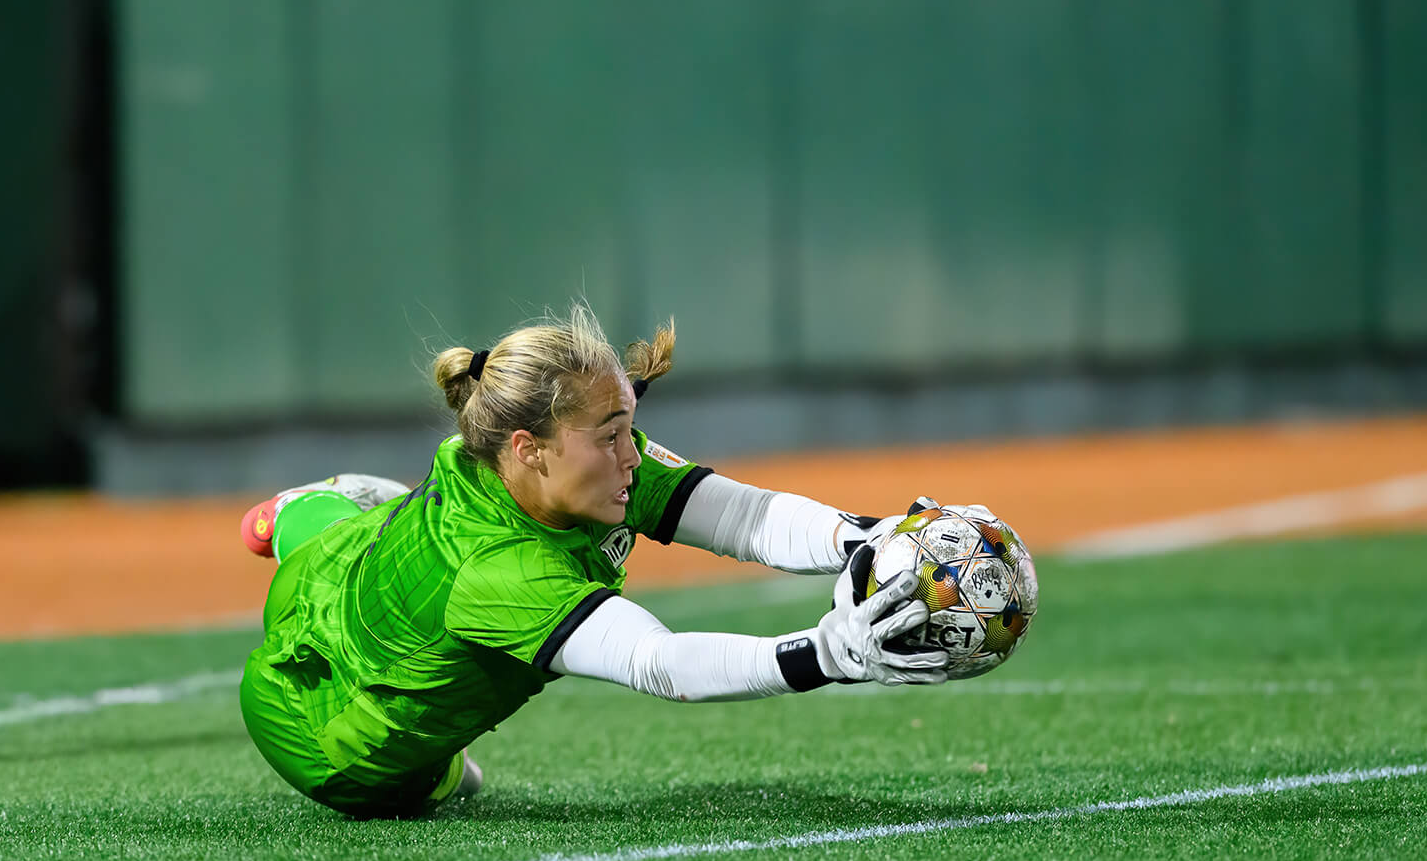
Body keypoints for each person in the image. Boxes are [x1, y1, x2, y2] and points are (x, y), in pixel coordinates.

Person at [237, 306, 947, 818]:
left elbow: (742, 517)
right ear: (528, 448)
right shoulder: (498, 571)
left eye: (629, 427)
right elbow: (660, 663)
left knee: (369, 528)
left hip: (340, 567)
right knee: (456, 784)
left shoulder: (538, 450)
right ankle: (317, 518)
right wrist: (826, 655)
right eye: (611, 435)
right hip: (326, 736)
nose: (633, 455)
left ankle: (307, 516)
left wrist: (872, 538)